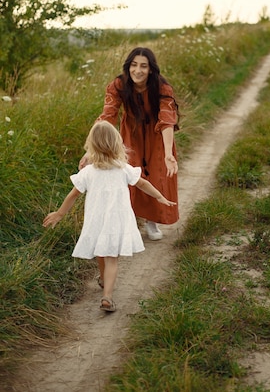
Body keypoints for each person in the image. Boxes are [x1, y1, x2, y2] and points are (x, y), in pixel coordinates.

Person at [43, 121, 176, 313]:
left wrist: (59, 213)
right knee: (112, 258)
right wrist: (160, 196)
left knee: (101, 250)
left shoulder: (88, 172)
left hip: (95, 219)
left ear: (91, 146)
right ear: (116, 144)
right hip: (117, 220)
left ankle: (104, 279)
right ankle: (107, 296)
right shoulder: (123, 168)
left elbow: (73, 195)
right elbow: (143, 184)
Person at [79, 47, 180, 241]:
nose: (138, 70)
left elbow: (167, 121)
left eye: (144, 66)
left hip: (156, 136)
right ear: (128, 66)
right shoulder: (118, 84)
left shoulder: (162, 87)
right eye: (134, 65)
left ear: (151, 69)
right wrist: (91, 150)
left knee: (157, 175)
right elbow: (107, 117)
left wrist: (168, 153)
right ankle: (129, 222)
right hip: (130, 134)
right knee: (129, 174)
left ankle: (153, 221)